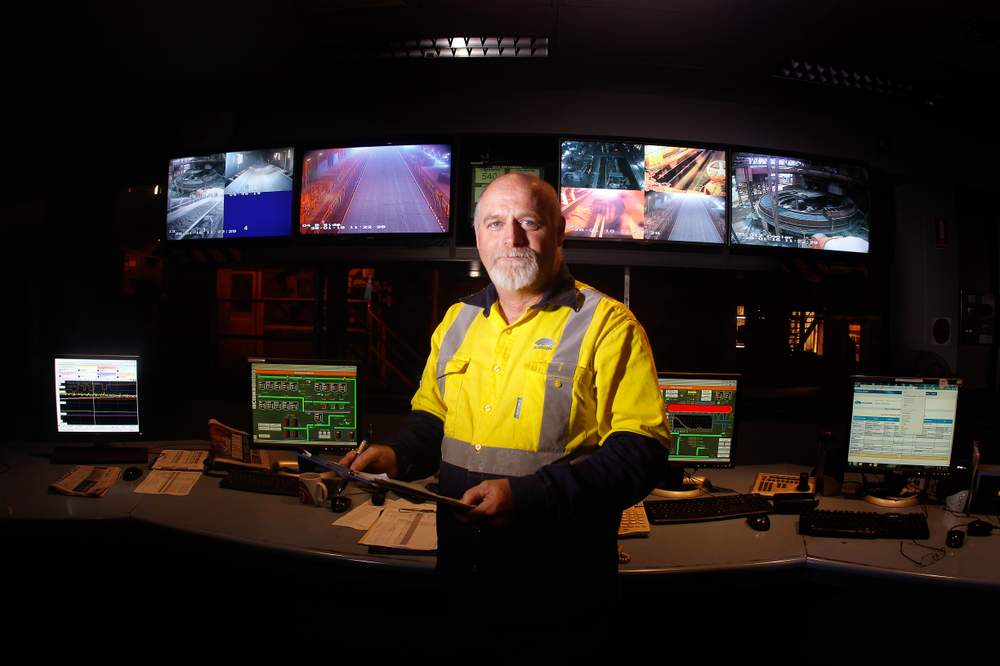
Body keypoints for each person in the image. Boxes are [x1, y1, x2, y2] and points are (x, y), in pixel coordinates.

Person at [341, 173, 670, 624]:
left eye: (528, 222)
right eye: (494, 223)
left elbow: (641, 453)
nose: (511, 237)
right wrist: (397, 455)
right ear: (477, 236)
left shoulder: (609, 325)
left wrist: (529, 497)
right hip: (461, 577)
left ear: (559, 233)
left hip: (562, 590)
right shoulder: (457, 321)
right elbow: (434, 417)